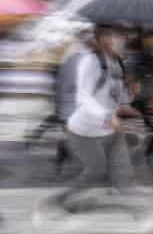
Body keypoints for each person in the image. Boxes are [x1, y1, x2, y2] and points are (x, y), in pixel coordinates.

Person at [37, 23, 144, 220]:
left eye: (122, 35)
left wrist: (131, 93)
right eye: (114, 35)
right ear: (101, 39)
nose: (120, 40)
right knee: (96, 171)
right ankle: (61, 202)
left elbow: (117, 98)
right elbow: (83, 97)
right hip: (83, 131)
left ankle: (141, 216)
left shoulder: (118, 63)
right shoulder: (90, 61)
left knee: (124, 173)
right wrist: (105, 116)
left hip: (110, 131)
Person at [25, 25, 94, 176]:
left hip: (71, 103)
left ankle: (61, 160)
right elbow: (72, 83)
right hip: (74, 103)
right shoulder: (79, 57)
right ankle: (68, 161)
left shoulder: (77, 56)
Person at [125, 27, 153, 189]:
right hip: (142, 102)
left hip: (146, 100)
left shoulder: (152, 56)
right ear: (147, 39)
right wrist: (144, 97)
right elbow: (132, 83)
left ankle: (134, 163)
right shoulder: (138, 58)